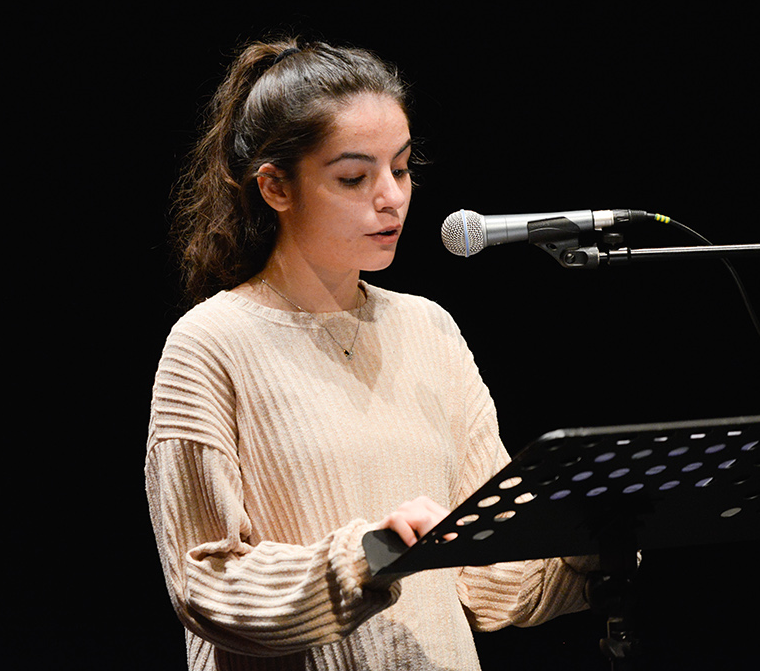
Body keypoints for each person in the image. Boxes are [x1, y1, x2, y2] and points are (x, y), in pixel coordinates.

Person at [146, 38, 594, 670]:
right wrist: (369, 556)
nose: (392, 197)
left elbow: (491, 575)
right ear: (275, 187)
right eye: (354, 177)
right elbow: (208, 585)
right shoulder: (210, 344)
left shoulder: (429, 330)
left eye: (402, 169)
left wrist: (592, 543)